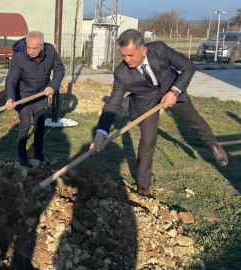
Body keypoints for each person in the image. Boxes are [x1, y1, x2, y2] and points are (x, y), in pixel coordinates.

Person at [90, 29, 228, 196]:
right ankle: (143, 188)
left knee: (195, 121)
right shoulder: (121, 73)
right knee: (148, 141)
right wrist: (100, 133)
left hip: (172, 90)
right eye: (123, 56)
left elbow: (188, 67)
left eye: (131, 55)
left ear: (144, 50)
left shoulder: (160, 50)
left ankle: (213, 144)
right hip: (145, 103)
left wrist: (174, 91)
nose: (126, 60)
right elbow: (112, 105)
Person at [5, 31, 65, 168]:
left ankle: (39, 154)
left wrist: (53, 86)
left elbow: (59, 69)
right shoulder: (19, 57)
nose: (31, 51)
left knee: (39, 126)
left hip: (41, 93)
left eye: (35, 48)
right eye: (29, 47)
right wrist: (10, 97)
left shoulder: (50, 50)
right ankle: (22, 156)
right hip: (24, 95)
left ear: (42, 46)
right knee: (25, 125)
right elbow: (11, 80)